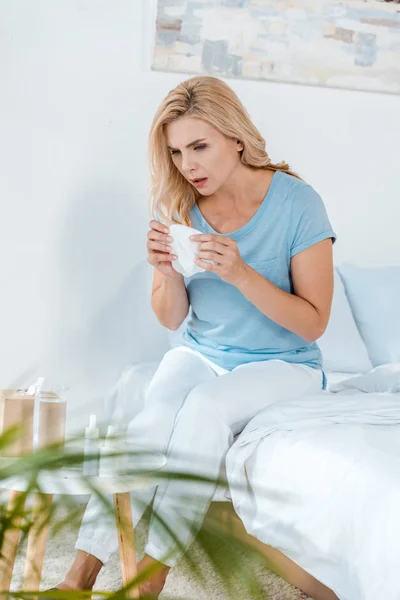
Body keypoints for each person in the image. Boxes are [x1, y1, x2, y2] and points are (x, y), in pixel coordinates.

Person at [46, 76, 336, 598]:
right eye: (177, 152)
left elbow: (315, 322)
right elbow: (169, 318)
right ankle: (79, 576)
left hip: (284, 364)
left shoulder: (299, 204)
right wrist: (169, 272)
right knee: (148, 425)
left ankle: (149, 579)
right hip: (201, 352)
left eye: (199, 147)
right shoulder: (177, 204)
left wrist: (242, 274)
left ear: (237, 138)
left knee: (203, 410)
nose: (188, 165)